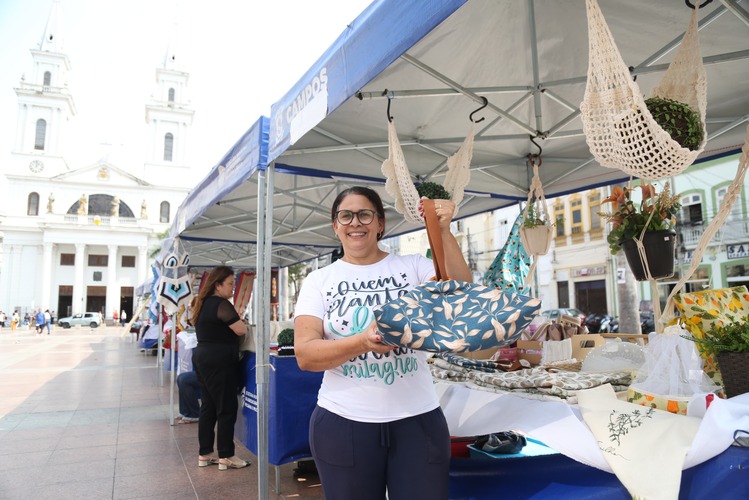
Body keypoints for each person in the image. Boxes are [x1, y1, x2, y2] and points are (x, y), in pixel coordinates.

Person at [294, 186, 472, 500]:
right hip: (343, 423)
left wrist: (443, 230)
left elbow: (460, 294)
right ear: (335, 226)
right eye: (345, 216)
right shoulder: (318, 281)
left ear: (380, 223)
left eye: (364, 214)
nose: (355, 223)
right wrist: (361, 342)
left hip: (418, 421)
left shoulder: (413, 267)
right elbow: (306, 355)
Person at [190, 266, 250, 470]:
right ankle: (226, 455)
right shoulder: (221, 304)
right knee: (226, 407)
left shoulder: (203, 303)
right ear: (218, 285)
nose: (233, 287)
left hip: (202, 357)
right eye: (231, 283)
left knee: (208, 406)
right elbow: (241, 330)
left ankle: (205, 453)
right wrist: (241, 321)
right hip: (218, 360)